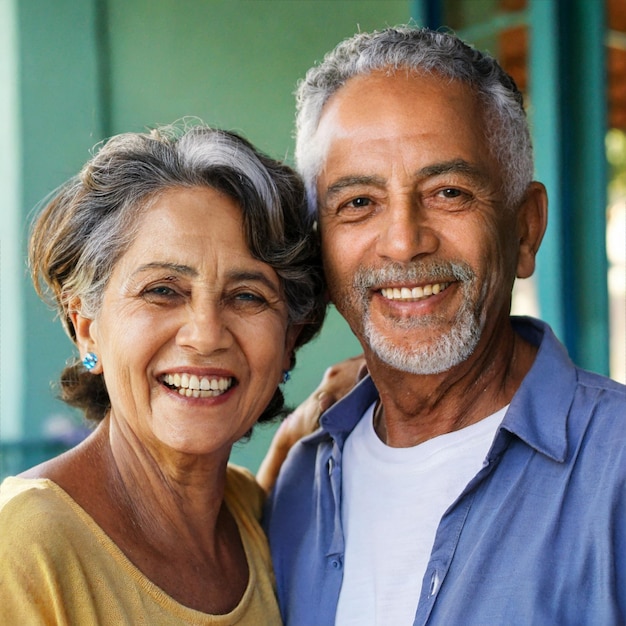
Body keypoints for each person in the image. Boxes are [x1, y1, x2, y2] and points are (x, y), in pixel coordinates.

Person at [265, 25, 626, 625]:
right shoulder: (301, 482)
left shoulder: (616, 470)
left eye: (448, 192)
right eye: (358, 202)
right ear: (319, 247)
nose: (404, 241)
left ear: (525, 229)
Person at [0, 123, 327, 624]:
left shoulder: (253, 517)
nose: (205, 334)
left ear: (288, 341)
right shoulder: (22, 544)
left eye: (247, 296)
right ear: (87, 328)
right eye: (162, 290)